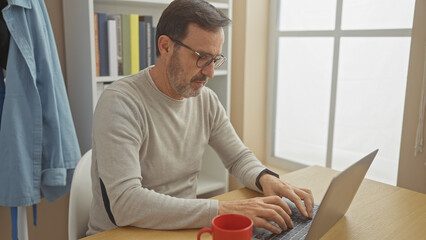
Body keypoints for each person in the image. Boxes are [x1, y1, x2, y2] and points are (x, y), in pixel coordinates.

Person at [87, 0, 314, 236]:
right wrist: (224, 209)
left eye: (215, 58)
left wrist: (266, 178)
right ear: (165, 46)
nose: (210, 72)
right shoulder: (121, 102)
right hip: (121, 233)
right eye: (202, 57)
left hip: (178, 229)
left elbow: (237, 157)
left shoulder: (206, 100)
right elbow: (126, 203)